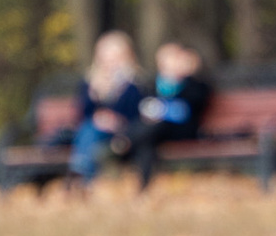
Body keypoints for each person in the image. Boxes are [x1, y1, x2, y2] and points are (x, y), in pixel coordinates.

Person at [69, 28, 146, 186]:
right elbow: (83, 112)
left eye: (116, 58)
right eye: (106, 59)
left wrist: (116, 118)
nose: (111, 64)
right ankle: (84, 174)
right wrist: (95, 94)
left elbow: (137, 113)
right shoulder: (90, 82)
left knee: (90, 132)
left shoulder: (135, 84)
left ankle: (81, 172)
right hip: (94, 131)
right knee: (90, 129)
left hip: (124, 133)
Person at [136, 40, 207, 190]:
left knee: (154, 127)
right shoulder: (152, 84)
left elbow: (191, 107)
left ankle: (122, 142)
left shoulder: (193, 83)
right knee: (147, 143)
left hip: (182, 130)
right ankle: (144, 187)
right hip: (155, 133)